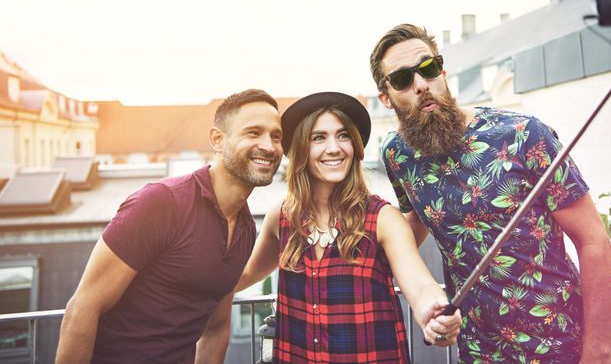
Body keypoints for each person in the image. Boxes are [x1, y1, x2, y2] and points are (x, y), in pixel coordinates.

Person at [369, 24, 611, 364]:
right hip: (478, 350)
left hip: (560, 343)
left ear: (442, 71)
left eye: (428, 68)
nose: (421, 85)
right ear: (386, 98)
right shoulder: (398, 156)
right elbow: (418, 219)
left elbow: (593, 241)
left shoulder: (524, 135)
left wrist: (599, 352)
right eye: (402, 80)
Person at [55, 89, 284, 364]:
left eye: (276, 136)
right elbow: (82, 308)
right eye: (253, 132)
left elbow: (216, 328)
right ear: (218, 140)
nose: (269, 146)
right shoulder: (161, 203)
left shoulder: (246, 228)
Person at [236, 91, 462, 364]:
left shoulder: (383, 218)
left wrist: (433, 310)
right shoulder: (282, 217)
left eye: (343, 135)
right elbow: (244, 274)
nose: (334, 147)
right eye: (318, 137)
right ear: (300, 150)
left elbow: (420, 285)